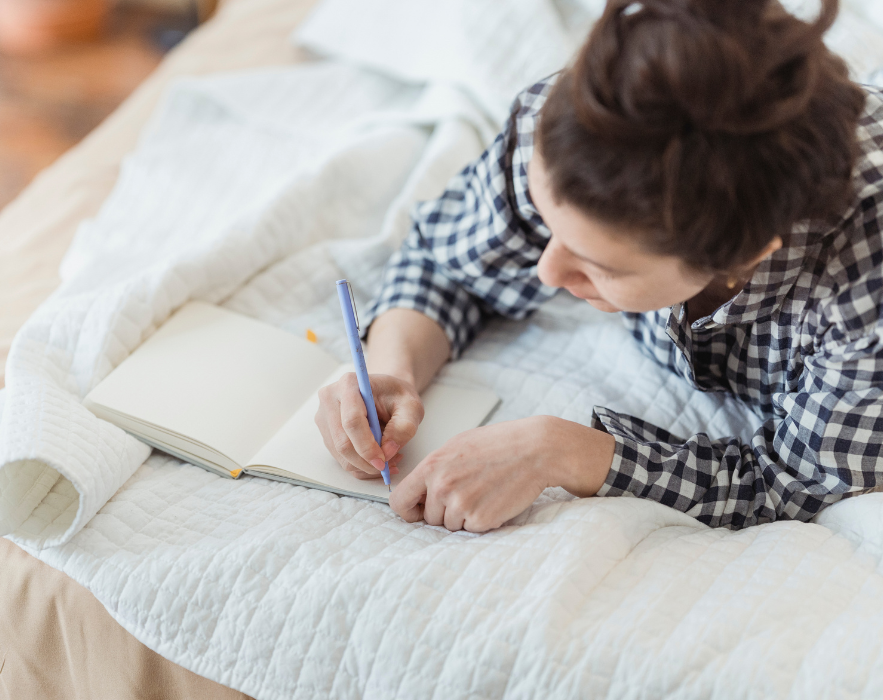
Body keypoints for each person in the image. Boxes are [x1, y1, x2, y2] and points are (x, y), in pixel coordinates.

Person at [315, 0, 883, 533]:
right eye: (546, 222)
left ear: (743, 256)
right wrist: (393, 372)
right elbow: (448, 262)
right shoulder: (573, 129)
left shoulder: (866, 286)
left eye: (597, 265)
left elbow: (797, 483)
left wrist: (560, 451)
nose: (546, 272)